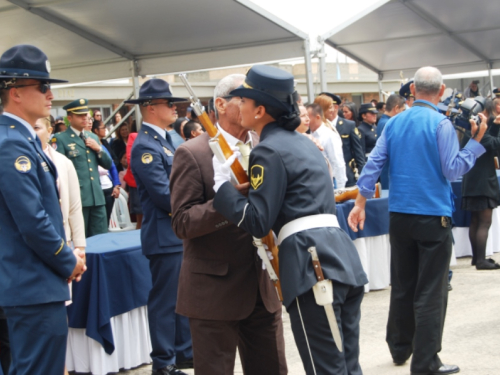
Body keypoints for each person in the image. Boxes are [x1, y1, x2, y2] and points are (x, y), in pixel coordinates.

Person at [212, 65, 367, 375]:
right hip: (340, 258)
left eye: (243, 100)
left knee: (326, 369)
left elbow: (257, 221)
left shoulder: (267, 150)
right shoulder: (305, 143)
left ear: (259, 110)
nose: (238, 106)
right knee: (347, 366)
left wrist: (222, 191)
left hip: (312, 266)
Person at [348, 66, 488, 375]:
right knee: (431, 290)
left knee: (403, 283)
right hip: (431, 216)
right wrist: (475, 144)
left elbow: (373, 164)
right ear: (440, 92)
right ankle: (425, 362)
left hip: (399, 215)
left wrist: (360, 202)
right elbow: (452, 171)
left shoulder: (395, 122)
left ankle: (400, 348)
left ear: (412, 91)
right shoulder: (441, 124)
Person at [170, 73, 287, 375]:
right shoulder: (192, 153)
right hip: (213, 292)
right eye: (245, 98)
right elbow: (182, 222)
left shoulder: (267, 147)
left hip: (262, 287)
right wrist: (228, 203)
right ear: (221, 104)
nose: (255, 105)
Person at [0, 44, 86, 375]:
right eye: (43, 86)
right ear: (15, 92)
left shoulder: (23, 140)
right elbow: (32, 221)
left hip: (35, 282)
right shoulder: (12, 145)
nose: (51, 95)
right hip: (32, 284)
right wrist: (69, 260)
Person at [127, 79, 192, 375]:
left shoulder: (164, 140)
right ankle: (163, 361)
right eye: (169, 103)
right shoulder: (145, 146)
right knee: (165, 301)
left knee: (182, 298)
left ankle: (183, 352)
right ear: (150, 108)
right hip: (164, 235)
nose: (175, 107)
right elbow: (165, 195)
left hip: (175, 234)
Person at [52, 98, 113, 237]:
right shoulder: (60, 138)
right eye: (80, 115)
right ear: (70, 117)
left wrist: (99, 150)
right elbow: (58, 170)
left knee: (101, 238)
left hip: (97, 196)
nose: (85, 118)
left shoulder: (92, 137)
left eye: (86, 115)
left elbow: (108, 165)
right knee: (79, 239)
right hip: (77, 198)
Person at [35, 117, 86, 252]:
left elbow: (74, 207)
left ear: (49, 131)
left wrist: (80, 246)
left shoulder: (63, 162)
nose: (32, 133)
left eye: (36, 128)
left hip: (62, 240)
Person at [461, 106, 500, 270]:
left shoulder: (470, 133)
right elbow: (496, 143)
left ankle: (477, 258)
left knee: (475, 221)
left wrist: (495, 125)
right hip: (483, 183)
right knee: (484, 222)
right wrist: (497, 126)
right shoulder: (482, 135)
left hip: (471, 182)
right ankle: (481, 260)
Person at [320, 93, 365, 187]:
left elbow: (358, 151)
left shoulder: (348, 125)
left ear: (335, 107)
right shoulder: (320, 126)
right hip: (327, 173)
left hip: (347, 172)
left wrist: (362, 173)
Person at [312, 95, 347, 188]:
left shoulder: (328, 129)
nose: (333, 110)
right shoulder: (320, 128)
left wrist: (341, 186)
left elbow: (337, 160)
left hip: (332, 179)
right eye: (330, 107)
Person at [376, 94, 406, 189]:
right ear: (396, 108)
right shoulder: (389, 123)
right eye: (403, 110)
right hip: (390, 171)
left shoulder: (384, 121)